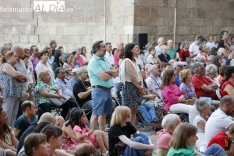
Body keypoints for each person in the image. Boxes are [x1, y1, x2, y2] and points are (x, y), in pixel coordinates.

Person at [88, 41, 118, 131]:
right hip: (99, 90)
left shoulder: (105, 59)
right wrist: (110, 72)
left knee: (104, 114)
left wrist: (108, 72)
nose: (105, 49)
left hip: (108, 90)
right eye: (103, 47)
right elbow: (104, 77)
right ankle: (93, 135)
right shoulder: (94, 62)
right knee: (96, 114)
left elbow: (116, 73)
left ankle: (102, 133)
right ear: (97, 49)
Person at [0, 51, 27, 127]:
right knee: (7, 114)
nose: (17, 58)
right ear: (9, 57)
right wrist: (24, 77)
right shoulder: (6, 65)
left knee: (13, 115)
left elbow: (22, 79)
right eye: (15, 56)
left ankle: (11, 133)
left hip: (15, 94)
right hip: (8, 93)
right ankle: (5, 132)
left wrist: (23, 77)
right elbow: (17, 74)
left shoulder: (14, 67)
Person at [119, 43, 143, 126]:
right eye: (136, 47)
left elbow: (139, 75)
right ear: (130, 49)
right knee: (127, 111)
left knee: (134, 111)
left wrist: (141, 86)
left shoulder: (135, 61)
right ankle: (125, 130)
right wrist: (139, 87)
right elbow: (132, 76)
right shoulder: (127, 61)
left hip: (136, 85)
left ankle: (132, 130)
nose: (138, 49)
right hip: (129, 86)